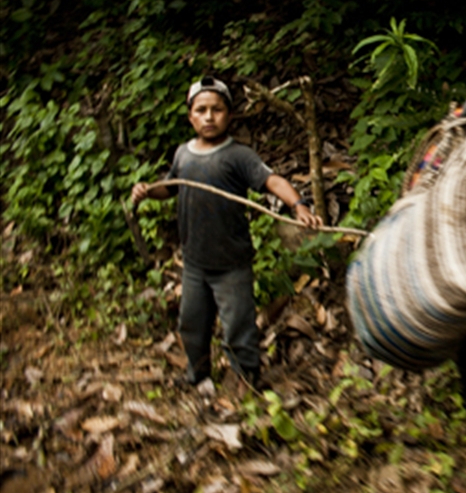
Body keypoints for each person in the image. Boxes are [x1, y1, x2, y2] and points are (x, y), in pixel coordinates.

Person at [131, 76, 323, 390]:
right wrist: (146, 191)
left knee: (238, 328)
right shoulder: (183, 154)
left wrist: (298, 204)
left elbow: (272, 181)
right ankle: (198, 377)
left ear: (229, 115)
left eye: (217, 110)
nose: (209, 116)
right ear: (190, 116)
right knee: (192, 325)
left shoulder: (239, 156)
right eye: (201, 110)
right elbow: (170, 188)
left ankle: (246, 382)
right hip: (194, 263)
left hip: (232, 264)